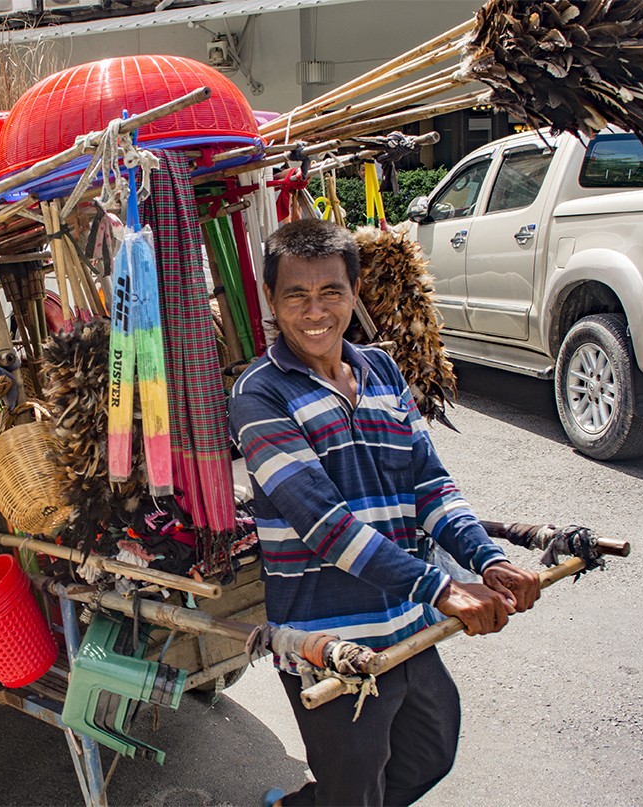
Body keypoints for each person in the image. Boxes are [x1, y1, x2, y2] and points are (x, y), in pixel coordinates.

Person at [228, 219, 541, 807]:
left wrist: (488, 558)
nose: (315, 311)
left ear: (354, 291)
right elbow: (325, 526)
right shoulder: (259, 394)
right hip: (329, 642)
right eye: (296, 295)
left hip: (407, 623)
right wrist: (443, 589)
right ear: (271, 299)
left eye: (331, 292)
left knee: (429, 753)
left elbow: (430, 484)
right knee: (355, 790)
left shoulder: (382, 370)